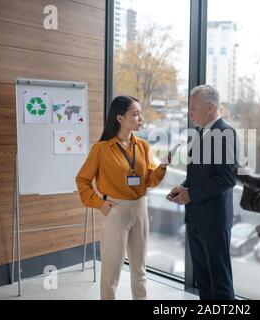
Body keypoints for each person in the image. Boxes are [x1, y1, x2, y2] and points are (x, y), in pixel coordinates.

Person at [76, 96, 169, 300]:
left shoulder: (143, 146)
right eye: (135, 114)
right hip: (116, 211)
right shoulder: (101, 149)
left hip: (140, 210)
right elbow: (82, 180)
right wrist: (100, 204)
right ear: (119, 118)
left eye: (140, 113)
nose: (140, 118)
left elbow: (149, 181)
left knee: (140, 271)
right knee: (111, 275)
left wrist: (161, 167)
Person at [167, 85, 238, 300]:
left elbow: (227, 178)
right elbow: (200, 175)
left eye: (193, 108)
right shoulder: (200, 132)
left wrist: (192, 194)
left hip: (214, 222)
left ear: (210, 107)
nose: (189, 113)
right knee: (203, 280)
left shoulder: (225, 133)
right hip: (196, 218)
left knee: (220, 282)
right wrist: (183, 188)